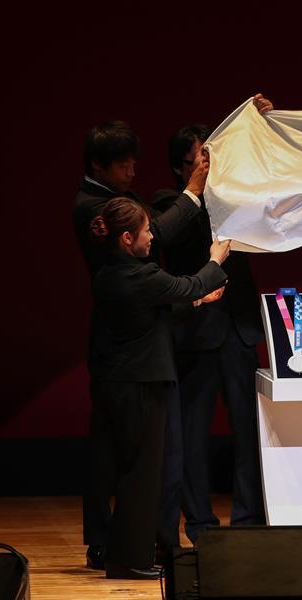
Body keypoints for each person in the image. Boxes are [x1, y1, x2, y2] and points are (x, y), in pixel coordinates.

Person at [73, 120, 208, 570]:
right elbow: (159, 234)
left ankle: (138, 543)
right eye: (123, 165)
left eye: (134, 162)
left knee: (139, 457)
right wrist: (192, 193)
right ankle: (114, 545)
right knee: (125, 458)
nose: (133, 171)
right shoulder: (93, 208)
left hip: (136, 346)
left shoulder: (117, 199)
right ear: (98, 166)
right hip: (128, 355)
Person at [89, 196, 231, 579]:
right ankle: (130, 560)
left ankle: (125, 555)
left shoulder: (111, 273)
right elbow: (190, 284)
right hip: (140, 383)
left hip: (125, 381)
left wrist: (196, 300)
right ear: (126, 238)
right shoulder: (139, 275)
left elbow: (156, 312)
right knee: (141, 475)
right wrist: (216, 259)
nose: (152, 236)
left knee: (135, 472)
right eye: (146, 231)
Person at [152, 121, 268, 542]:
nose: (206, 168)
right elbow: (171, 238)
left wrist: (259, 127)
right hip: (195, 331)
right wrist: (197, 189)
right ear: (179, 167)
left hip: (239, 329)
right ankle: (200, 525)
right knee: (192, 435)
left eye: (210, 161)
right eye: (197, 162)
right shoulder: (169, 204)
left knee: (249, 430)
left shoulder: (234, 192)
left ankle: (248, 520)